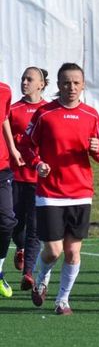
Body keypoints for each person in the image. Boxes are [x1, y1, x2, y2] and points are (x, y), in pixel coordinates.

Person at [20, 62, 99, 315]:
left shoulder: (91, 115)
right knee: (53, 250)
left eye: (76, 83)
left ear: (83, 85)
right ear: (58, 85)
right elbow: (26, 145)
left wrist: (97, 149)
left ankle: (62, 300)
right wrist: (38, 164)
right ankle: (41, 278)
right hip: (50, 194)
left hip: (81, 193)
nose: (71, 87)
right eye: (66, 83)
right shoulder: (45, 114)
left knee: (72, 251)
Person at [9, 67, 48, 290]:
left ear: (41, 84)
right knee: (12, 223)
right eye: (23, 78)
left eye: (29, 79)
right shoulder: (13, 110)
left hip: (38, 179)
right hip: (14, 176)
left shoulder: (47, 111)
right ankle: (20, 247)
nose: (24, 82)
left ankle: (29, 274)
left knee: (34, 228)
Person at [0, 75, 24, 298]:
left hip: (2, 168)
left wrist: (13, 148)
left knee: (7, 221)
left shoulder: (4, 90)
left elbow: (4, 118)